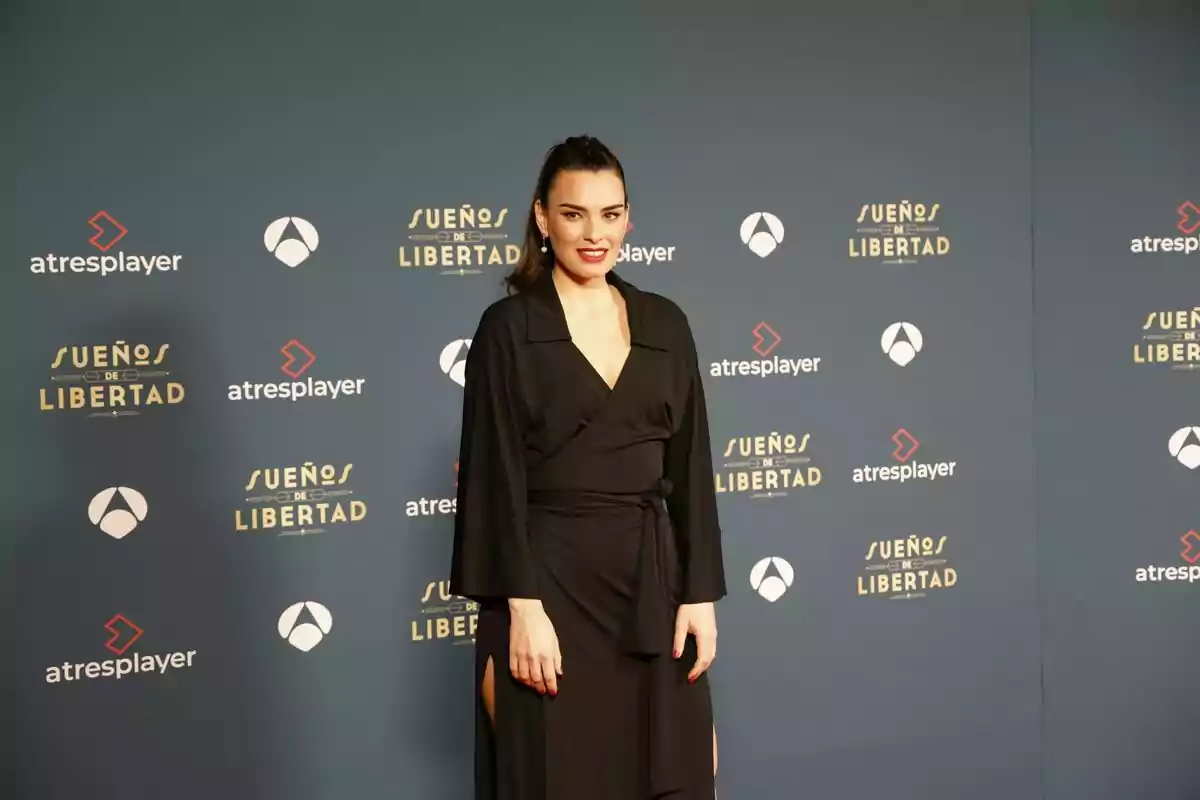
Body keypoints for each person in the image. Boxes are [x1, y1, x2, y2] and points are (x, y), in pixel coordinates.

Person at [449, 134, 727, 800]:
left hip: (651, 589)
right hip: (548, 588)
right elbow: (494, 478)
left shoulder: (666, 323)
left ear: (629, 218)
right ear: (543, 219)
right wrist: (522, 606)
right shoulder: (508, 329)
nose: (594, 233)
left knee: (678, 773)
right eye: (574, 213)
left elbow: (691, 468)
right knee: (557, 779)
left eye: (610, 213)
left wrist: (699, 596)